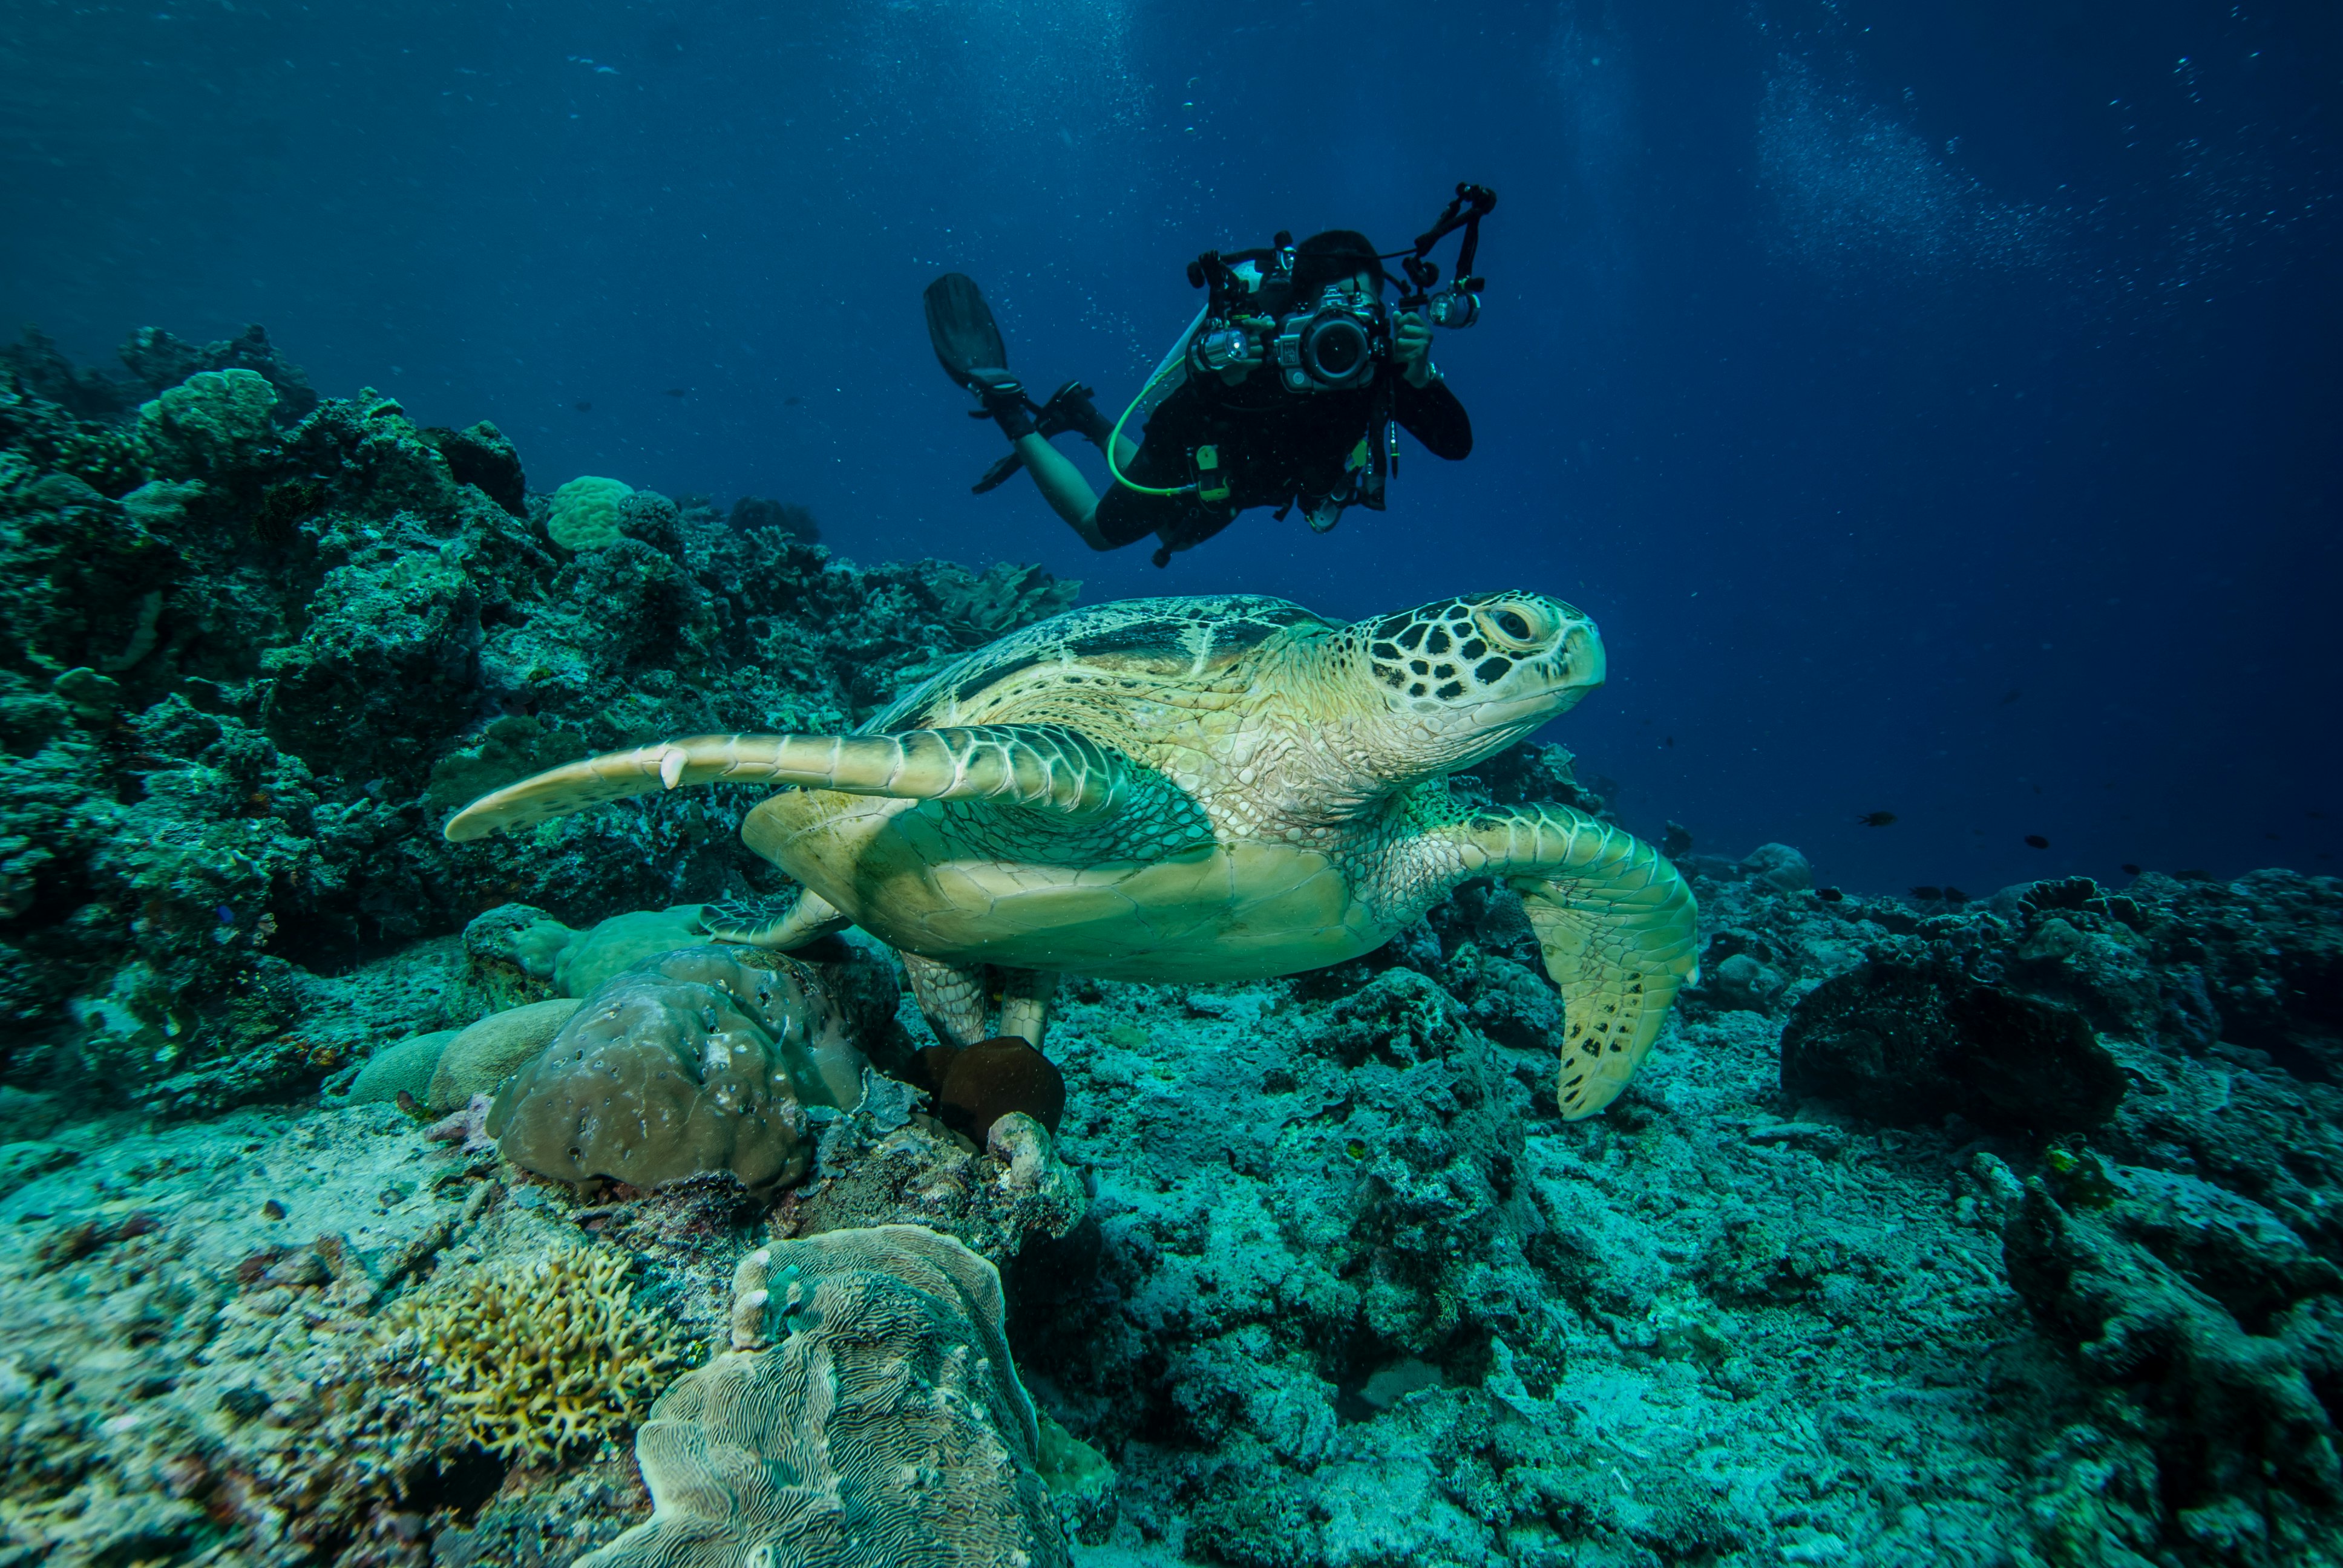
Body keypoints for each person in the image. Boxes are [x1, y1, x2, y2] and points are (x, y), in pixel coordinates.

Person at [926, 229, 1473, 565]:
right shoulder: (1257, 341)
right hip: (1212, 463)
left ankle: (1083, 417)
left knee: (1171, 532)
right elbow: (1175, 417)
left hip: (1251, 487)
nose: (1342, 335)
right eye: (1325, 314)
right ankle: (1009, 409)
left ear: (1383, 313)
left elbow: (1457, 446)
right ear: (1295, 307)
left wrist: (1422, 376)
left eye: (1363, 314)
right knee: (1099, 532)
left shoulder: (1384, 360)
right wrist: (1224, 379)